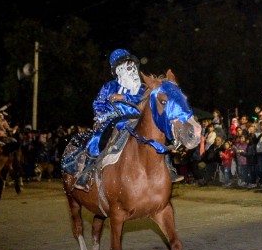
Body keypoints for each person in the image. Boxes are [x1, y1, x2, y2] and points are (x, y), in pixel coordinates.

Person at [74, 48, 182, 189]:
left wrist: (124, 97)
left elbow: (143, 99)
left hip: (137, 119)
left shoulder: (142, 87)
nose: (130, 67)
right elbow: (98, 103)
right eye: (125, 63)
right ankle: (86, 173)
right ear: (118, 69)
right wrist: (100, 115)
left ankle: (169, 167)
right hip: (114, 120)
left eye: (131, 63)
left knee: (157, 133)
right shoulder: (109, 86)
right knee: (97, 137)